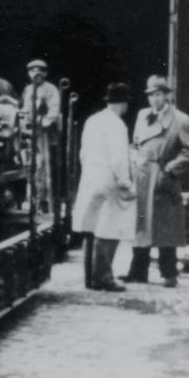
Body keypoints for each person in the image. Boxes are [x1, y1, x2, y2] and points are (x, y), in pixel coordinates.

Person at [123, 75, 189, 287]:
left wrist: (170, 169)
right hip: (142, 177)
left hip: (162, 178)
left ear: (167, 96)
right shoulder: (142, 116)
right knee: (141, 224)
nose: (154, 99)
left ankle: (169, 273)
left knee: (165, 227)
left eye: (158, 95)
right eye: (150, 95)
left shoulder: (180, 120)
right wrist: (133, 164)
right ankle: (138, 271)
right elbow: (136, 143)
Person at [71, 82, 135, 292]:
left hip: (90, 177)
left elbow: (82, 152)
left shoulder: (92, 120)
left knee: (90, 227)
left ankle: (89, 278)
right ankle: (104, 277)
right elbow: (118, 159)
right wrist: (125, 182)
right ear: (123, 103)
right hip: (108, 180)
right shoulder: (117, 125)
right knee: (110, 228)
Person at [19, 59, 62, 217]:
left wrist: (43, 123)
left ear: (45, 73)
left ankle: (44, 203)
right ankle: (31, 200)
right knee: (29, 165)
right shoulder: (28, 89)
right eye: (32, 71)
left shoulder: (51, 89)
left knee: (43, 166)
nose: (36, 74)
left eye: (40, 71)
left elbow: (54, 111)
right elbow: (24, 109)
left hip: (45, 134)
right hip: (29, 133)